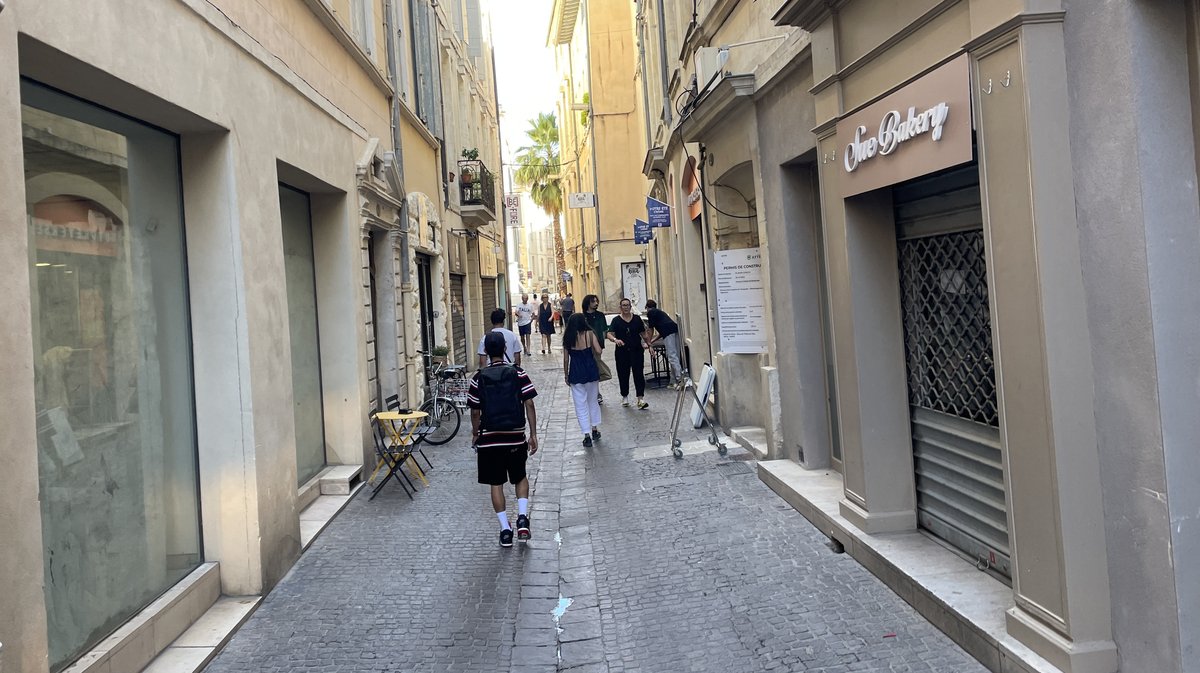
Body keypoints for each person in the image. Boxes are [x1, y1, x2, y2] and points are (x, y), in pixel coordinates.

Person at [468, 332, 539, 547]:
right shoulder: (518, 374)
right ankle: (523, 518)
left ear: (487, 352)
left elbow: (474, 411)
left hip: (490, 438)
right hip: (515, 436)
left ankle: (506, 530)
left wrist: (475, 432)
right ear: (505, 350)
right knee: (520, 477)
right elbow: (529, 403)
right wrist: (533, 434)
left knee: (496, 483)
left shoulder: (478, 378)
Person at [562, 312, 602, 447]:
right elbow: (598, 351)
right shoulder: (590, 334)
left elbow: (566, 359)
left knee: (580, 404)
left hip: (576, 371)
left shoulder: (568, 337)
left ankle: (586, 435)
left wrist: (566, 374)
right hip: (591, 369)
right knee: (593, 401)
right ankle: (595, 429)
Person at [607, 297, 650, 409]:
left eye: (628, 305)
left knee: (638, 374)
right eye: (624, 305)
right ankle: (625, 396)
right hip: (622, 352)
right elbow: (609, 334)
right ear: (620, 307)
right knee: (623, 374)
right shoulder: (616, 320)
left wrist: (649, 345)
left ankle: (640, 399)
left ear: (631, 307)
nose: (626, 307)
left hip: (636, 351)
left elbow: (644, 334)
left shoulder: (636, 319)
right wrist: (615, 340)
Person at [644, 299, 683, 388]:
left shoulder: (651, 313)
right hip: (675, 330)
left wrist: (649, 343)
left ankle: (680, 379)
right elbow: (661, 332)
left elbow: (650, 329)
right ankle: (673, 381)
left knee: (672, 356)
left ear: (647, 307)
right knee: (676, 356)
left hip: (668, 333)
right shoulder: (659, 312)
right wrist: (652, 341)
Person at [581, 294, 608, 404]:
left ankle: (596, 393)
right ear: (588, 303)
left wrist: (601, 341)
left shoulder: (600, 315)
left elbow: (604, 330)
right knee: (588, 369)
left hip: (598, 346)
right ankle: (592, 392)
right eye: (593, 302)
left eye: (597, 301)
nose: (596, 303)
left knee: (596, 368)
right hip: (585, 346)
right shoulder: (582, 316)